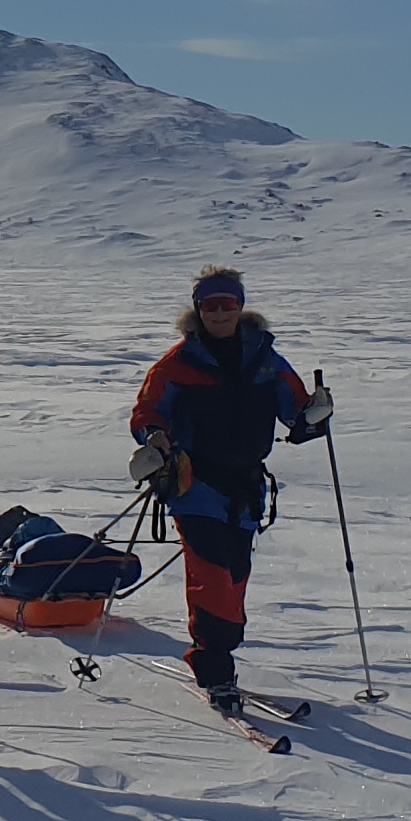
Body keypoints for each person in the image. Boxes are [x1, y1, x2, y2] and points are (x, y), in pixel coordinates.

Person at [128, 265, 332, 708]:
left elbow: (294, 413)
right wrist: (154, 437)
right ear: (198, 310)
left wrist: (314, 417)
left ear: (240, 306)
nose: (219, 312)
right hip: (194, 482)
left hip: (246, 486)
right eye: (210, 305)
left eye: (228, 304)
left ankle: (219, 654)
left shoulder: (265, 361)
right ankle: (214, 665)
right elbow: (148, 411)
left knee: (235, 572)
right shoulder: (177, 364)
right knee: (212, 574)